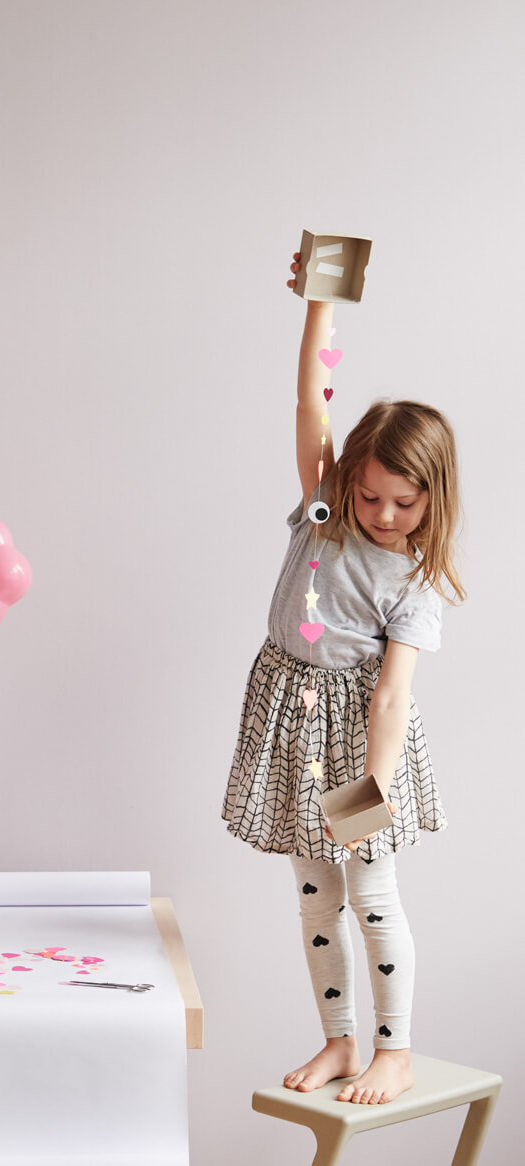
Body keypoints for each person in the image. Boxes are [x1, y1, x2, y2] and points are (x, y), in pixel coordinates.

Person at [221, 252, 465, 1105]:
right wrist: (319, 305)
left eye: (405, 505)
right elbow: (309, 401)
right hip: (291, 718)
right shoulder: (323, 510)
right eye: (371, 498)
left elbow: (395, 694)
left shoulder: (414, 584)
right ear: (347, 482)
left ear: (435, 499)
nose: (384, 516)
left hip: (358, 741)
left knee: (371, 891)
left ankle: (394, 1049)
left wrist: (375, 789)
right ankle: (340, 1039)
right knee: (315, 895)